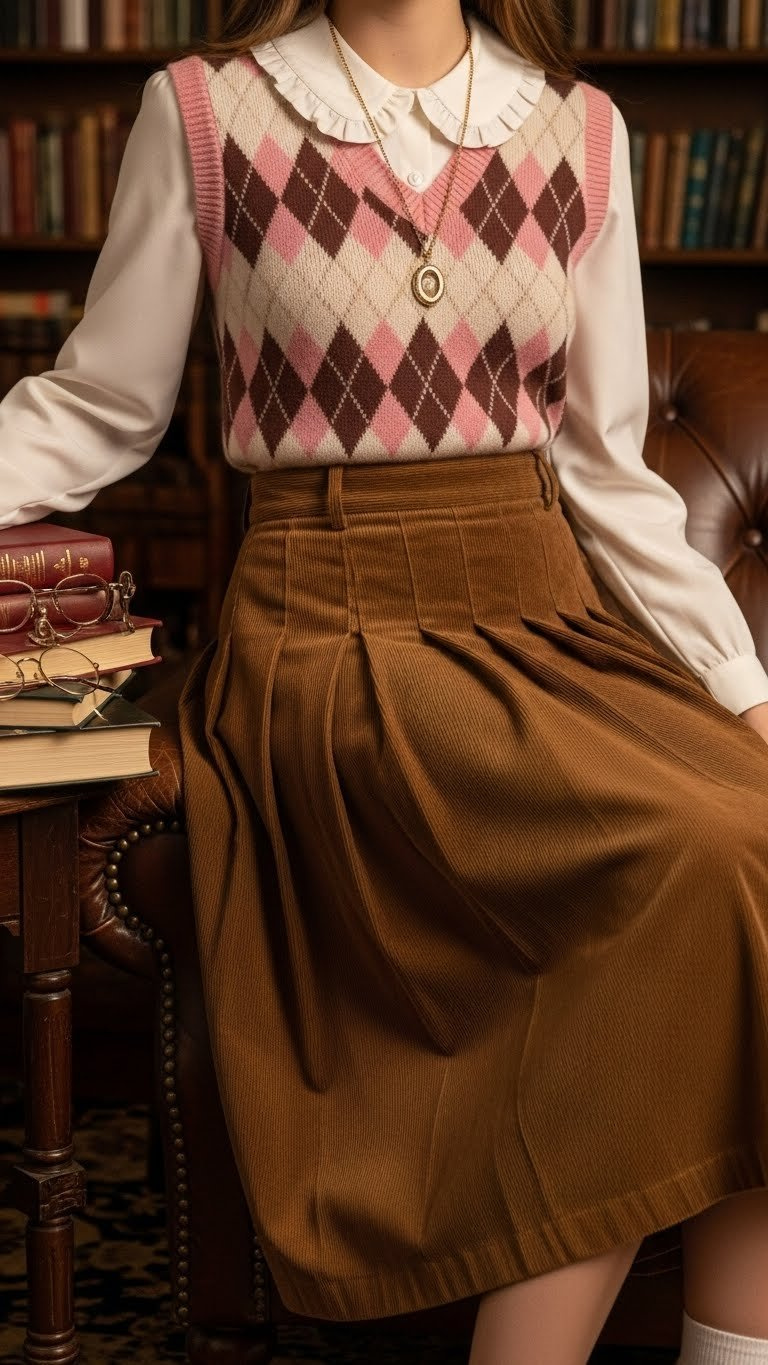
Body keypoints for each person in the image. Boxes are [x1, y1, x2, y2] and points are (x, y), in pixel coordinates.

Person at [2, 2, 768, 1361]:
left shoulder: (581, 129)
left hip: (551, 617)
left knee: (754, 839)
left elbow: (605, 469)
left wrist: (743, 691)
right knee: (696, 854)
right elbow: (102, 404)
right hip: (329, 637)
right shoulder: (207, 112)